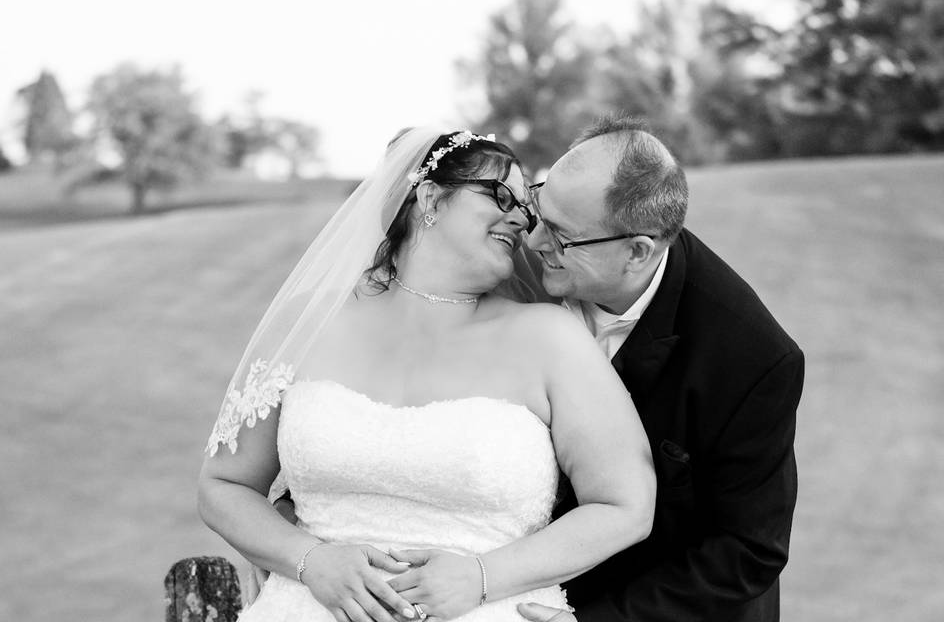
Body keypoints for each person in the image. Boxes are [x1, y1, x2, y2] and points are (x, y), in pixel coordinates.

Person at [198, 127, 657, 622]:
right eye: (503, 195)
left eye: (527, 209)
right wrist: (310, 561)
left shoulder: (551, 337)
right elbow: (224, 485)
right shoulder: (307, 323)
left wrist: (481, 578)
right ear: (430, 196)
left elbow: (625, 505)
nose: (521, 221)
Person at [516, 115, 804, 622]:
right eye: (540, 210)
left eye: (560, 235)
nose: (534, 240)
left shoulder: (751, 358)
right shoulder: (516, 269)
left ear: (636, 251)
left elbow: (746, 550)